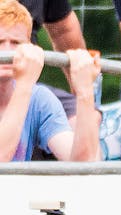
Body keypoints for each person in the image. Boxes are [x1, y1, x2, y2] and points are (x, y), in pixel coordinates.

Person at [0, 0, 99, 161]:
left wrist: (85, 91)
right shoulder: (26, 89)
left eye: (16, 43)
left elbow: (84, 165)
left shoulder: (39, 99)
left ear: (30, 46)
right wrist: (25, 84)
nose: (6, 52)